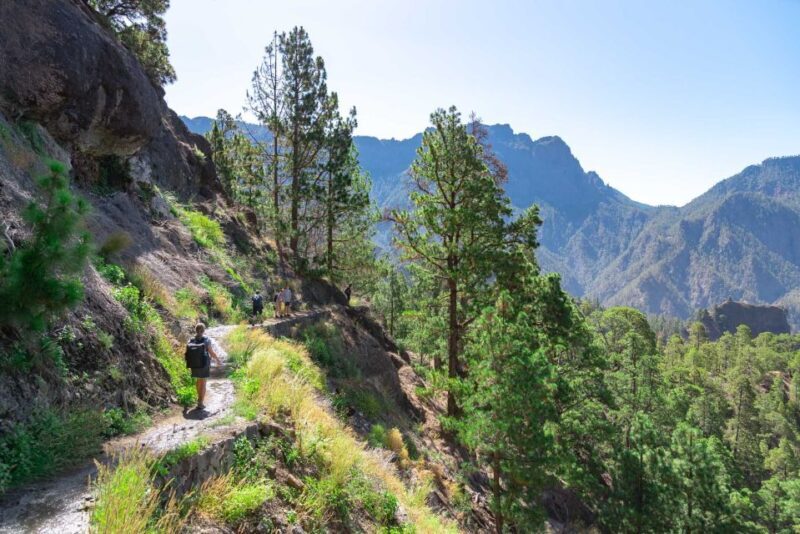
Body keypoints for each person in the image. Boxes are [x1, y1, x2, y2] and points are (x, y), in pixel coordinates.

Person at [185, 323, 221, 411]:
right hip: (204, 364)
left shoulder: (191, 340)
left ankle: (199, 399)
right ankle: (200, 403)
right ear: (204, 330)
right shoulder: (206, 340)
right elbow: (211, 352)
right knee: (203, 382)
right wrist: (217, 360)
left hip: (194, 364)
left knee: (198, 381)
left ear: (196, 330)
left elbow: (186, 353)